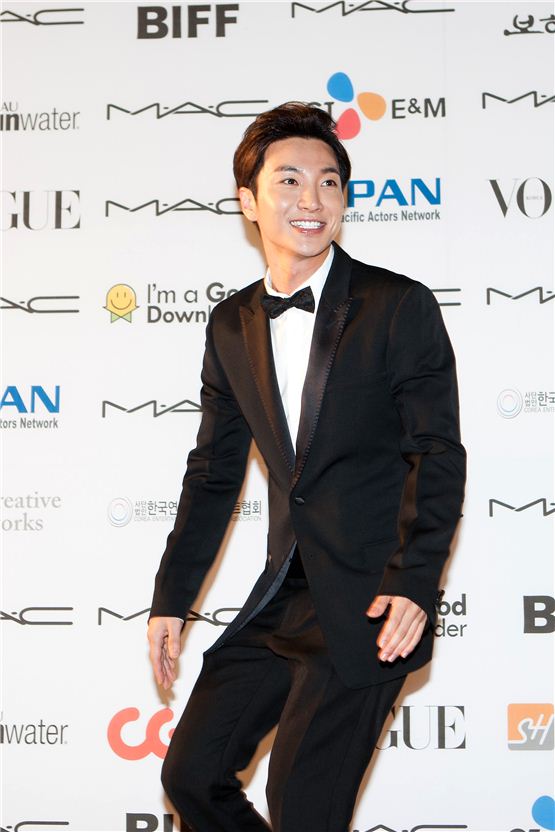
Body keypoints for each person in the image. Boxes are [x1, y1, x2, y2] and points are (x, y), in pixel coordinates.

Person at [147, 102, 466, 832]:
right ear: (248, 202)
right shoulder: (231, 324)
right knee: (192, 775)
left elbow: (436, 454)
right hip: (280, 595)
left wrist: (414, 584)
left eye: (328, 182)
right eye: (288, 181)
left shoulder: (396, 305)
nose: (311, 201)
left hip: (369, 602)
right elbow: (213, 471)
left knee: (302, 806)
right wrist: (172, 598)